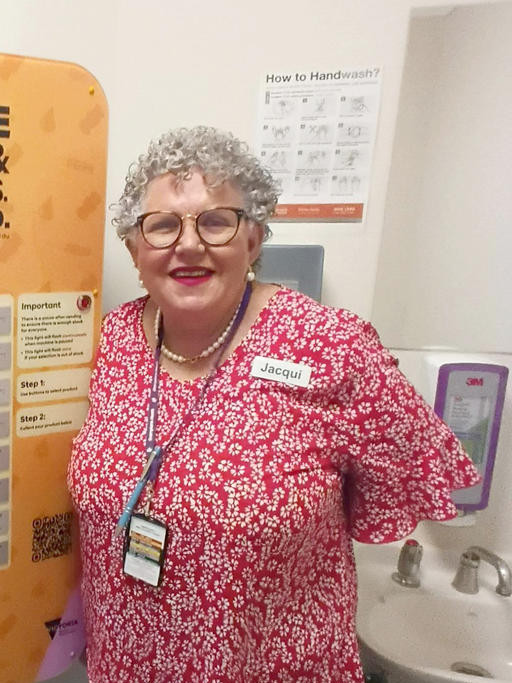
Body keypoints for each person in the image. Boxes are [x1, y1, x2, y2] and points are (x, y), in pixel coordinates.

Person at [68, 126, 479, 682]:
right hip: (125, 666)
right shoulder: (114, 340)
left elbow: (388, 492)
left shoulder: (333, 348)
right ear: (135, 249)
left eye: (216, 221)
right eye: (163, 226)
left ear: (254, 240)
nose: (189, 244)